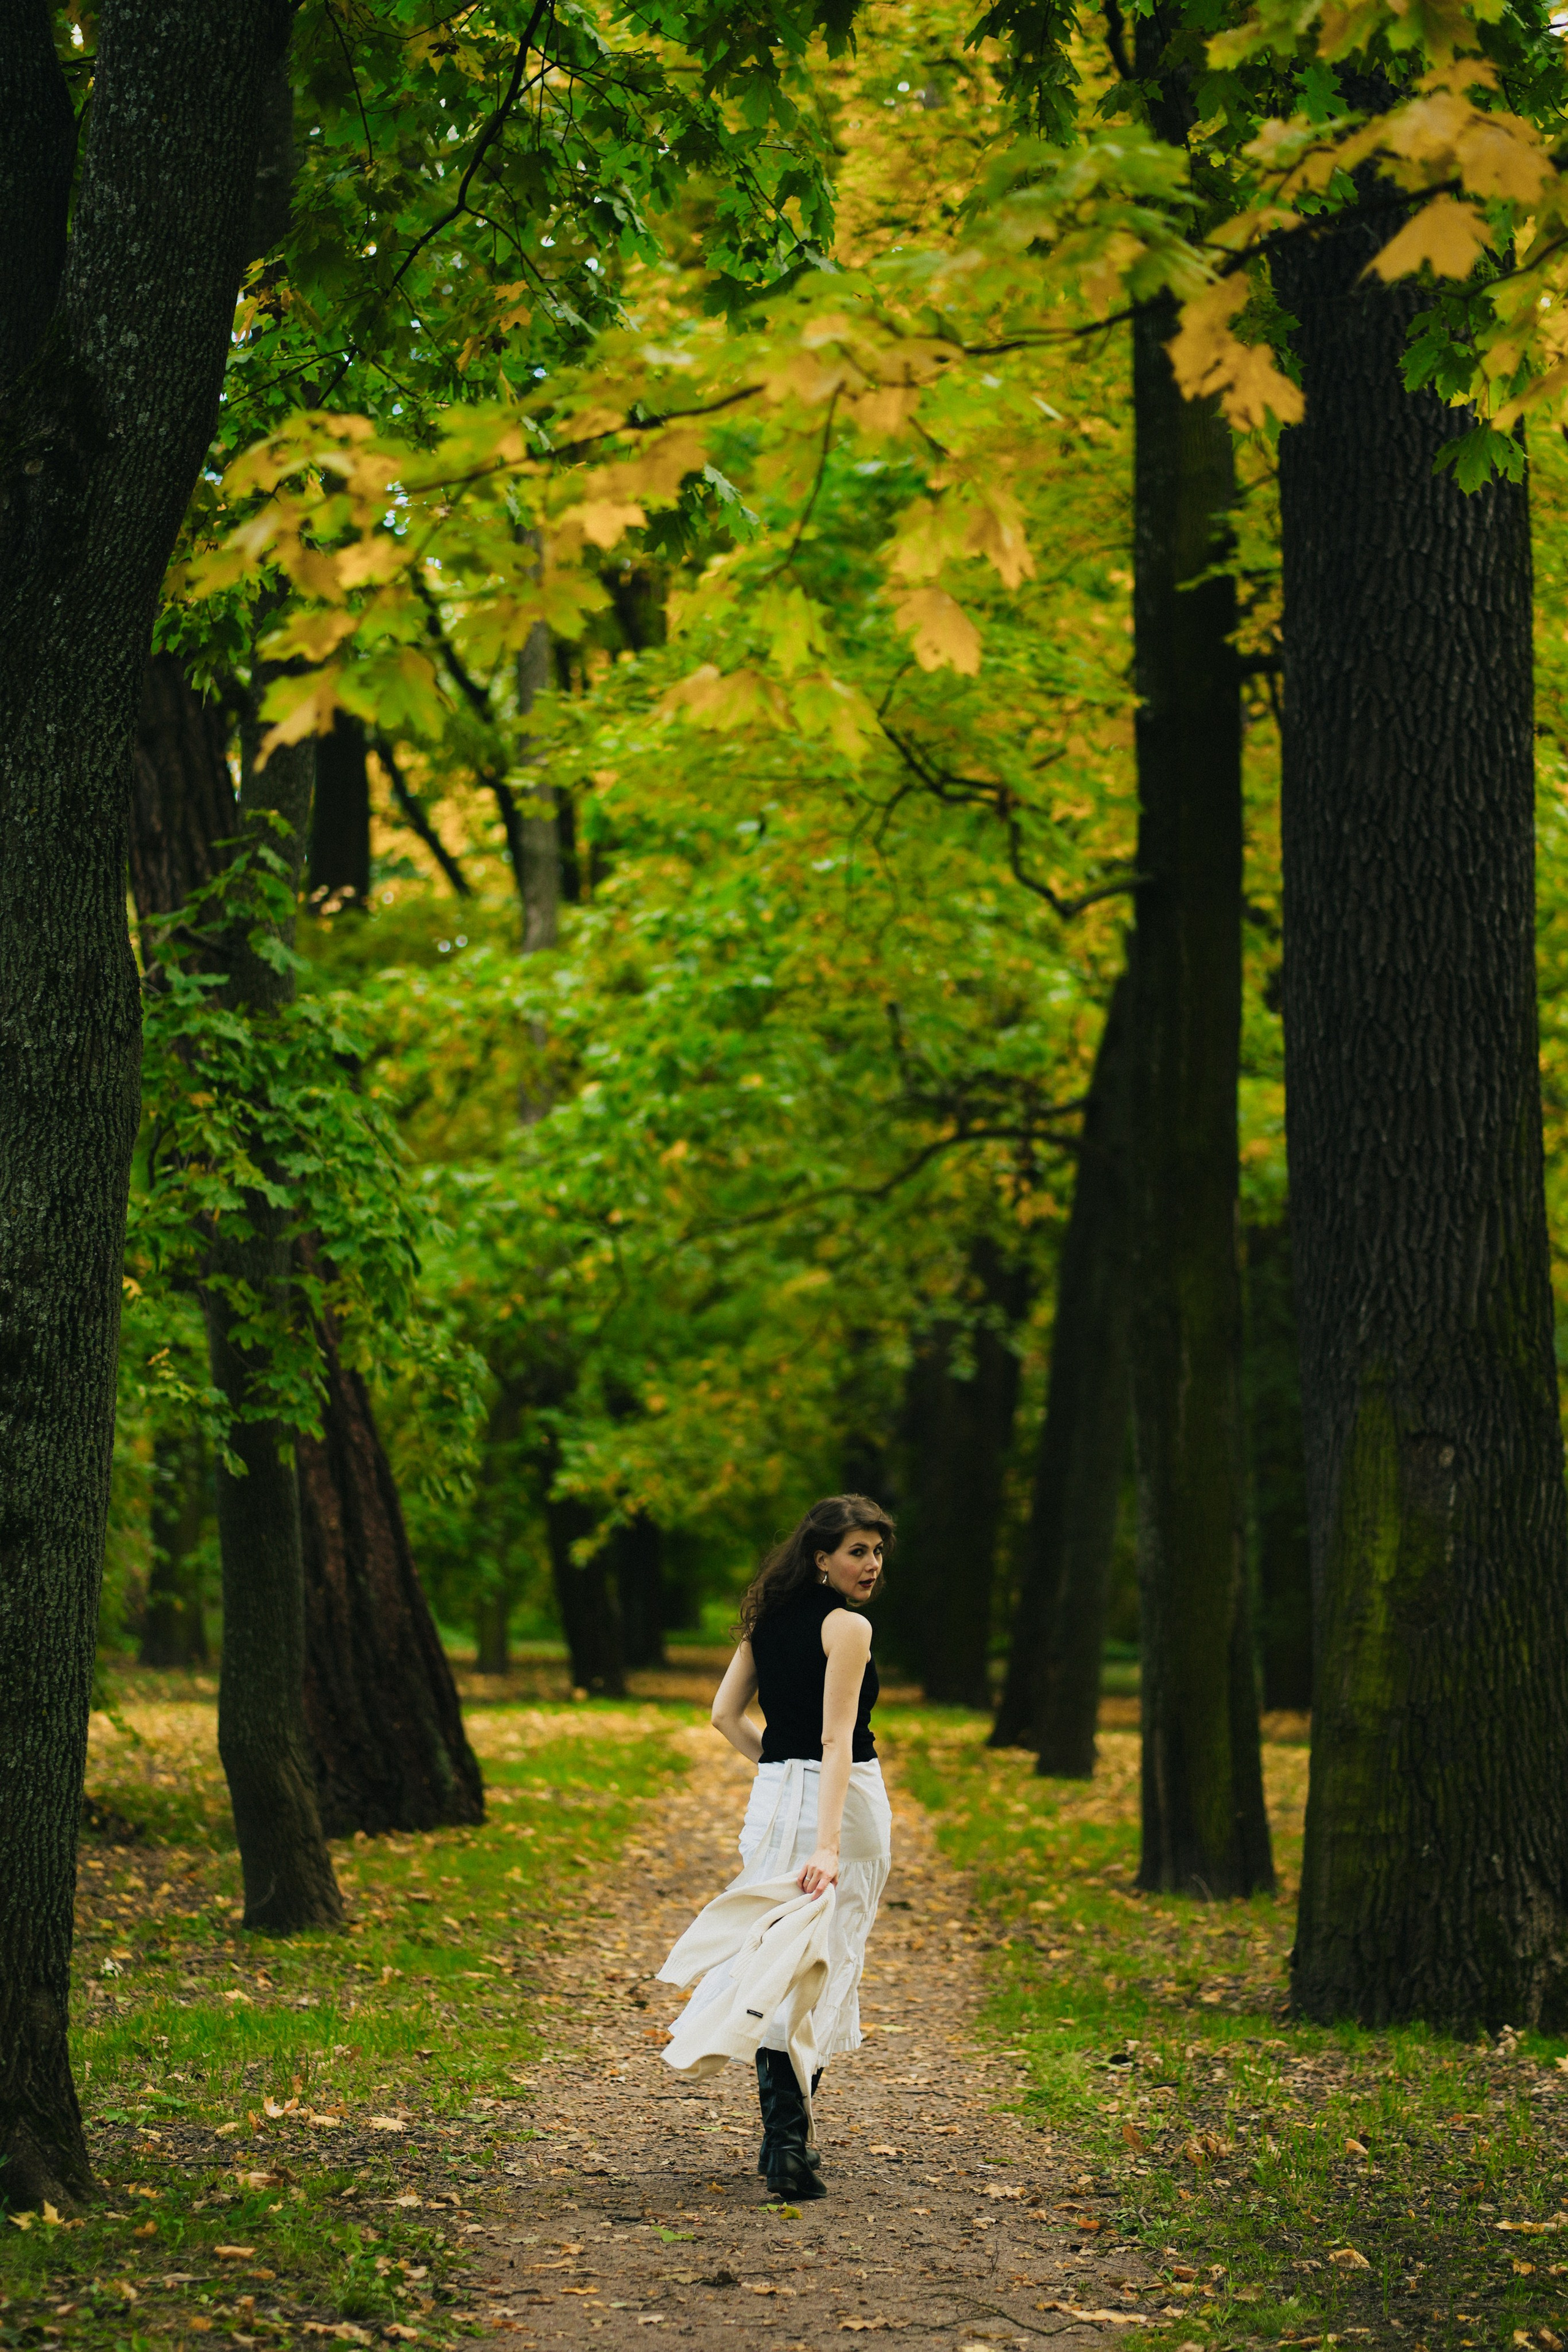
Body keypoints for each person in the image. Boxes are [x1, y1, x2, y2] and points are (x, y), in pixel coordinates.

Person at [658, 1494, 894, 2203]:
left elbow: (723, 1717)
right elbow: (836, 1742)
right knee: (822, 1963)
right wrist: (824, 1843)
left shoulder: (765, 1622)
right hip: (842, 1807)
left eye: (878, 1552)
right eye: (857, 1551)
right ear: (820, 1557)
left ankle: (785, 2144)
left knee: (778, 1963)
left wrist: (777, 1770)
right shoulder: (847, 1627)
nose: (871, 1564)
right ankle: (786, 2145)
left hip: (773, 1805)